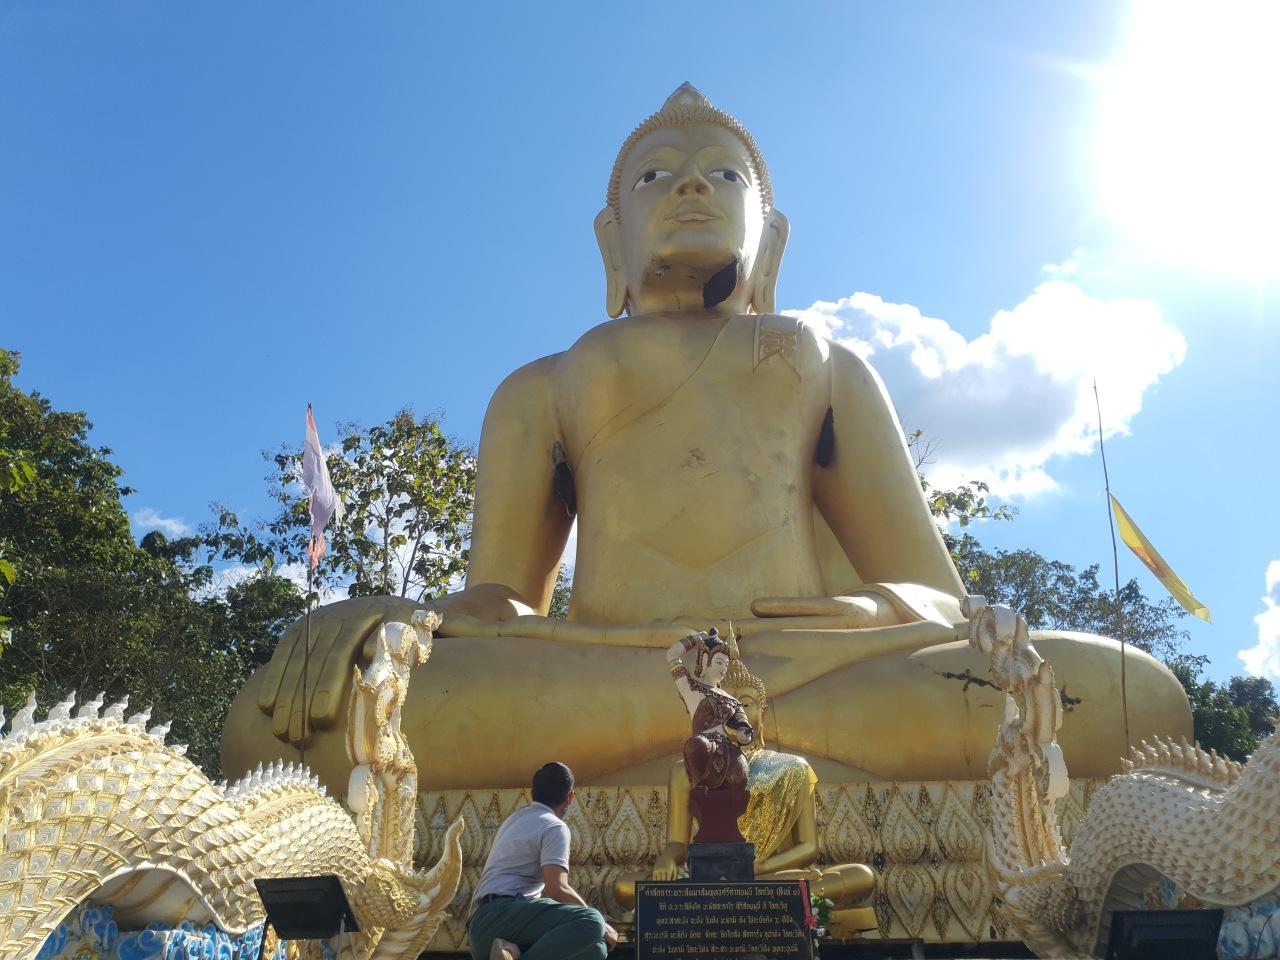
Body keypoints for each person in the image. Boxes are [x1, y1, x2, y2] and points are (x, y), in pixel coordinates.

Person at [222, 84, 1191, 794]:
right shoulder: (542, 386)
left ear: (769, 240)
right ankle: (729, 731)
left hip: (806, 662)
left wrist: (864, 613)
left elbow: (932, 592)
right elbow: (503, 598)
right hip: (606, 662)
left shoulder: (823, 363)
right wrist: (396, 625)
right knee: (266, 727)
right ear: (613, 238)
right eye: (657, 176)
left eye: (721, 175)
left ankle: (682, 738)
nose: (689, 189)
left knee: (1124, 695)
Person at [468, 762, 618, 960]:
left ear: (532, 794)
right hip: (502, 915)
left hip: (481, 932)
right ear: (570, 797)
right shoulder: (554, 826)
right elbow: (557, 888)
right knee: (592, 921)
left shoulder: (514, 819)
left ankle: (512, 953)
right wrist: (601, 923)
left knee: (595, 949)